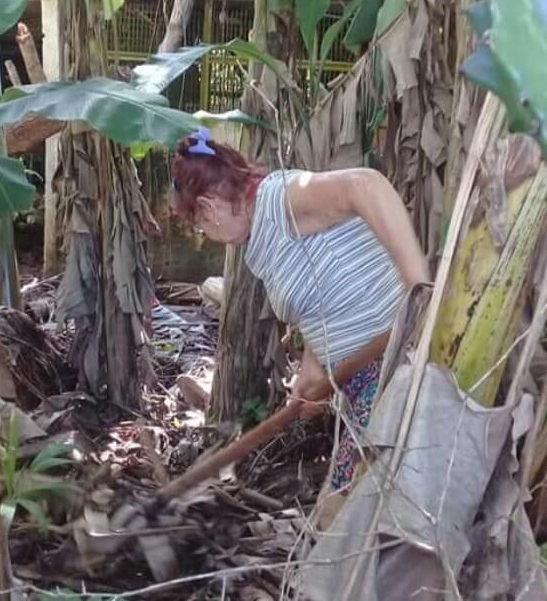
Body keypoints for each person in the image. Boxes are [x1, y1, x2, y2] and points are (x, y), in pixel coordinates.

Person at [171, 127, 430, 503]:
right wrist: (314, 367)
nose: (203, 232)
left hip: (395, 363)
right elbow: (320, 293)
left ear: (208, 208)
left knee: (346, 511)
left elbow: (366, 184)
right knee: (351, 511)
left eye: (198, 224)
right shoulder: (262, 233)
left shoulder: (280, 199)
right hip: (358, 378)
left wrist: (417, 285)